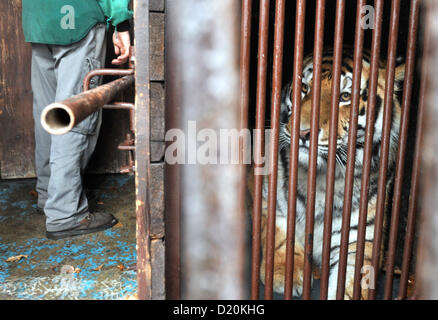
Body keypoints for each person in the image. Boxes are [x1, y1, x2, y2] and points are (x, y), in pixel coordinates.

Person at [21, 0, 133, 240]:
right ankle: (65, 212)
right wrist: (120, 22)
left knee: (50, 110)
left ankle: (50, 194)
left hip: (38, 17)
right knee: (75, 113)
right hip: (76, 16)